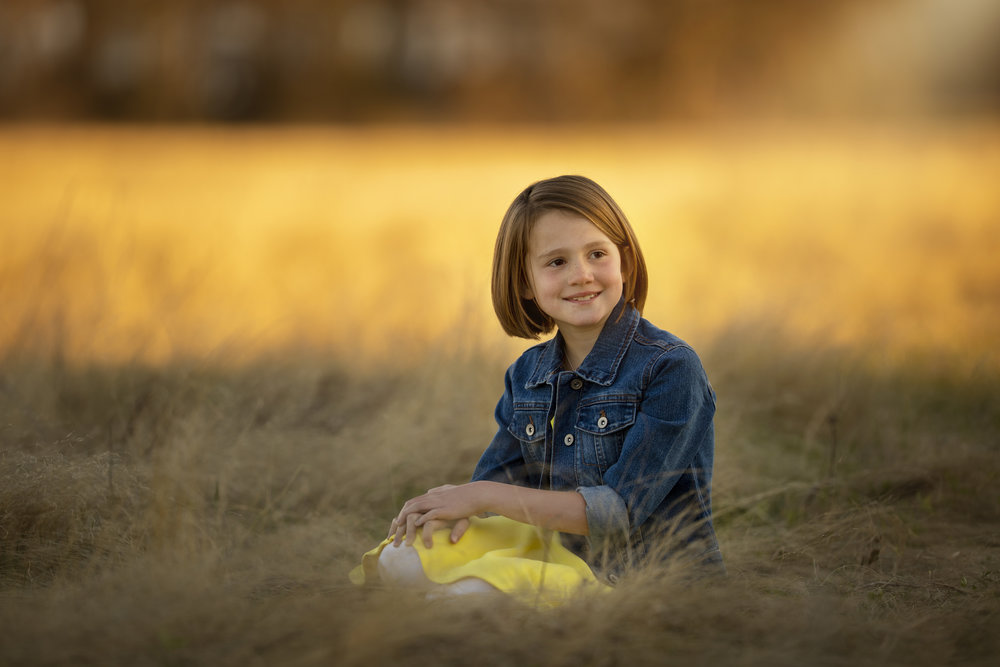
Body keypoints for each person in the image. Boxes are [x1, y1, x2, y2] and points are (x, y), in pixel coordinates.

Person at [351, 175, 723, 604]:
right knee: (401, 558)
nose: (582, 275)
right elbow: (493, 486)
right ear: (525, 283)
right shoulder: (527, 373)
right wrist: (449, 515)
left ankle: (461, 601)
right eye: (556, 262)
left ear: (625, 261)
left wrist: (481, 496)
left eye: (597, 254)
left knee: (469, 595)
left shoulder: (670, 367)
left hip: (645, 584)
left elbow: (617, 513)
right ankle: (457, 593)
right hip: (555, 560)